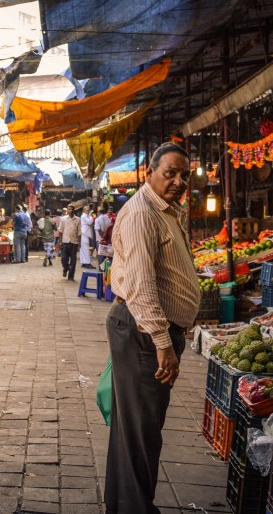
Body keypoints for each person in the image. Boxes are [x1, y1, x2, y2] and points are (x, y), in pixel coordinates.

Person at [105, 142, 199, 514]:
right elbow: (142, 285)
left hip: (145, 331)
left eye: (184, 175)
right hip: (144, 334)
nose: (178, 181)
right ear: (149, 173)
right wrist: (163, 343)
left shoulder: (165, 211)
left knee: (136, 432)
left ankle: (124, 505)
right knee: (142, 434)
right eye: (170, 173)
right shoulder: (143, 213)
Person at [57, 206, 81, 281]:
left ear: (74, 210)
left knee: (73, 260)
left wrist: (79, 243)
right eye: (69, 209)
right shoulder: (63, 219)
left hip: (74, 242)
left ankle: (71, 276)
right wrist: (60, 241)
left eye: (72, 209)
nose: (70, 211)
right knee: (64, 258)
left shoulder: (78, 219)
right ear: (67, 210)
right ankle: (65, 268)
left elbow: (79, 232)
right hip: (65, 241)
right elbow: (60, 231)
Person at [95, 205, 113, 269]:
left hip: (100, 240)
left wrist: (103, 237)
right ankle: (106, 271)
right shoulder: (109, 219)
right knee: (107, 257)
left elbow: (98, 229)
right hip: (107, 241)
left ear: (99, 213)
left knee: (101, 257)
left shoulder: (97, 219)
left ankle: (101, 270)